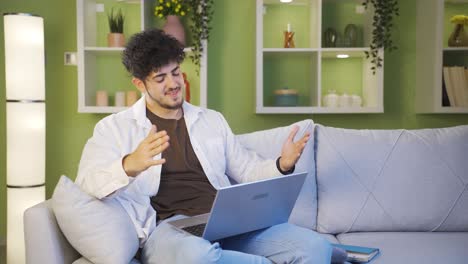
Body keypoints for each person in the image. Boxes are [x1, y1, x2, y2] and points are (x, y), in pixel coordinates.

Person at [76, 28, 332, 264]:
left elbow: (247, 170)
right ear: (140, 84)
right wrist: (129, 164)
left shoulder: (211, 120)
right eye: (160, 78)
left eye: (175, 72)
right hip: (170, 230)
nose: (173, 84)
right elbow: (88, 184)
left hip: (225, 221)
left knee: (316, 248)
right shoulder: (114, 128)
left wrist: (282, 164)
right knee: (199, 257)